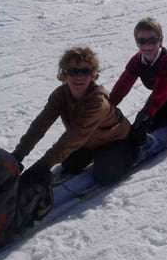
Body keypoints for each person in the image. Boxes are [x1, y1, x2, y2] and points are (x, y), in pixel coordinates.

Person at [12, 47, 134, 187]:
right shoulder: (60, 95)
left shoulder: (98, 102)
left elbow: (75, 134)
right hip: (89, 141)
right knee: (69, 165)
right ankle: (97, 155)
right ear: (64, 74)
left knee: (105, 176)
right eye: (73, 71)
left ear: (93, 75)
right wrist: (17, 156)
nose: (79, 76)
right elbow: (40, 125)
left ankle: (133, 150)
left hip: (115, 139)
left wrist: (42, 165)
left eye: (85, 71)